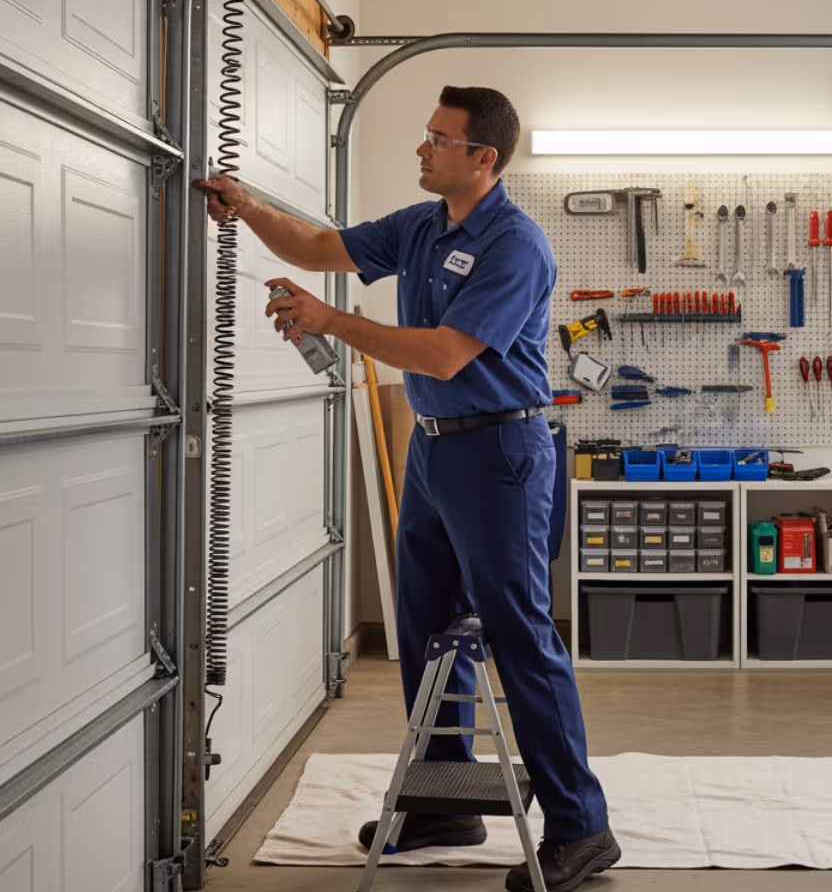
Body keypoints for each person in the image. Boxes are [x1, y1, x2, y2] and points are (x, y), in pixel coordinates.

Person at [196, 86, 617, 892]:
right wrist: (245, 206)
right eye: (426, 136)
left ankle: (580, 825)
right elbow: (321, 247)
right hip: (434, 450)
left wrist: (332, 323)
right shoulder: (422, 225)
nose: (422, 150)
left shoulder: (515, 244)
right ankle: (444, 799)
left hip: (500, 451)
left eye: (437, 139)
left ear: (481, 158)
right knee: (424, 627)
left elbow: (447, 354)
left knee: (519, 634)